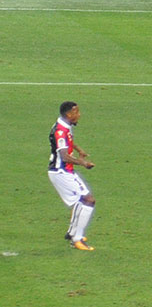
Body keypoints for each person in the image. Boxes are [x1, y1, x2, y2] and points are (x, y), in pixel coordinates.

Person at [48, 101, 97, 251]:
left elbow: (67, 141)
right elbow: (64, 156)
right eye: (77, 112)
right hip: (61, 172)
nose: (79, 115)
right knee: (88, 201)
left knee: (81, 201)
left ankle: (72, 233)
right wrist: (83, 163)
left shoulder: (63, 124)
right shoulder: (60, 131)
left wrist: (78, 149)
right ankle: (77, 239)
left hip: (64, 171)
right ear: (69, 114)